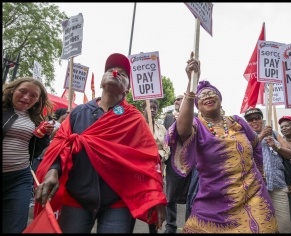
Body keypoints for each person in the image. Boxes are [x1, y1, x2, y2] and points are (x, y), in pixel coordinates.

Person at [34, 53, 167, 233]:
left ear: (127, 89)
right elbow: (61, 144)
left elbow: (148, 159)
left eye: (123, 74)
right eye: (111, 70)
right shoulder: (78, 112)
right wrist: (53, 172)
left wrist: (155, 196)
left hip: (117, 201)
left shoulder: (133, 118)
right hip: (77, 198)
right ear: (102, 81)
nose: (115, 73)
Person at [164, 54, 278, 233]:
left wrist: (260, 172)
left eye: (212, 93)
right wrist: (191, 84)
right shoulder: (197, 125)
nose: (207, 96)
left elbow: (255, 144)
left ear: (220, 99)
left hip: (253, 195)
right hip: (213, 200)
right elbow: (182, 131)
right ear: (197, 105)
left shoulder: (238, 121)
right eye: (201, 96)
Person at [2, 77, 54, 233]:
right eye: (22, 91)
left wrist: (44, 136)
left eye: (33, 95)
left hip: (19, 178)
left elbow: (35, 152)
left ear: (38, 100)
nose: (26, 97)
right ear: (12, 91)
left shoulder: (36, 119)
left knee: (15, 227)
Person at [244, 108, 291, 233]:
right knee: (260, 226)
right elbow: (243, 154)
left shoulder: (275, 134)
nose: (254, 121)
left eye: (257, 118)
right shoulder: (243, 136)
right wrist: (261, 136)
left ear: (262, 119)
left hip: (277, 186)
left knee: (284, 226)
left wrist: (276, 146)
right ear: (246, 122)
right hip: (255, 189)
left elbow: (290, 154)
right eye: (250, 119)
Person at [130, 99, 170, 234]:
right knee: (135, 204)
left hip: (156, 172)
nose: (152, 110)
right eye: (150, 107)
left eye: (155, 108)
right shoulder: (135, 125)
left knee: (154, 204)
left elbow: (166, 148)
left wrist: (159, 154)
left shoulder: (162, 128)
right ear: (144, 109)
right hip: (138, 173)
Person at [162, 94, 194, 234]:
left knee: (191, 195)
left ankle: (190, 224)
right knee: (170, 196)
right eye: (175, 99)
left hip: (190, 162)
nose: (177, 101)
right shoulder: (168, 117)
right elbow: (163, 135)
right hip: (172, 162)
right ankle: (170, 226)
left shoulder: (195, 115)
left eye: (180, 98)